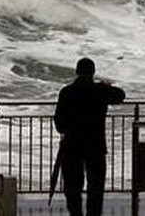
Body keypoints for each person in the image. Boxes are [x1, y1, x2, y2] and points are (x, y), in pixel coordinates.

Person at [54, 57, 126, 216]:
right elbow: (121, 95)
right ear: (93, 72)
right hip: (95, 145)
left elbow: (59, 123)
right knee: (95, 187)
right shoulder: (100, 91)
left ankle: (76, 214)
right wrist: (106, 85)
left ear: (77, 72)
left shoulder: (66, 92)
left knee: (73, 187)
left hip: (72, 145)